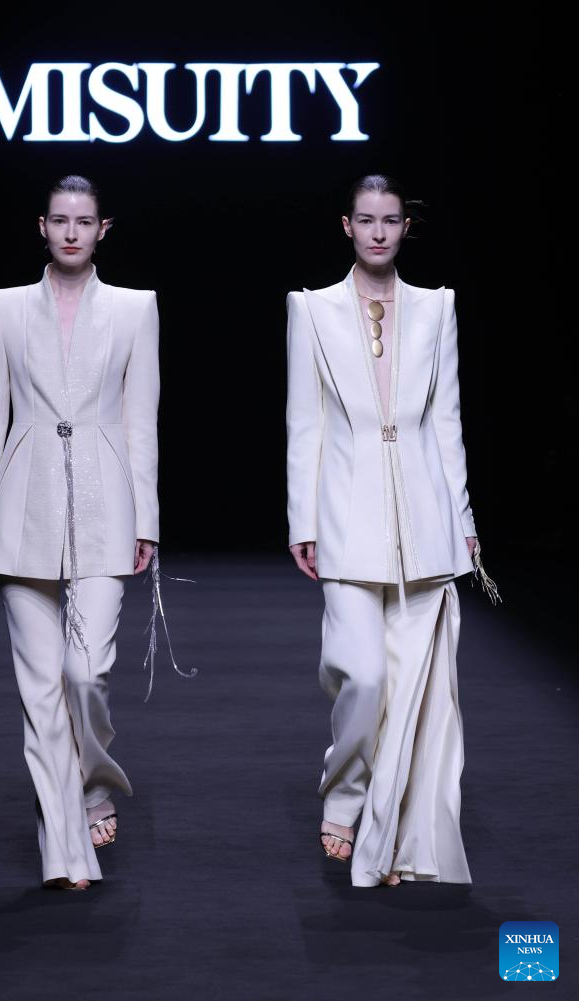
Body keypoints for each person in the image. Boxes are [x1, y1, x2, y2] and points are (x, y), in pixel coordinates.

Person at [286, 173, 491, 888]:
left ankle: (387, 835)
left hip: (424, 519)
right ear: (347, 225)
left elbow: (446, 421)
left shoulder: (437, 308)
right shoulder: (310, 309)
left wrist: (462, 520)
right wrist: (302, 519)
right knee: (364, 676)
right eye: (366, 219)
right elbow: (304, 421)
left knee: (411, 693)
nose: (379, 232)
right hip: (345, 515)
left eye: (391, 220)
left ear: (406, 227)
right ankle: (344, 790)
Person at [0, 174, 159, 891]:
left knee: (85, 672)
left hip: (108, 504)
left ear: (103, 229)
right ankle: (64, 851)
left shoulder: (136, 308)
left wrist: (147, 518)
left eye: (84, 221)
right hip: (22, 504)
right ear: (41, 227)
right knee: (40, 688)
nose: (71, 232)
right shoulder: (4, 306)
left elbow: (141, 420)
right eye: (59, 220)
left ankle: (95, 783)